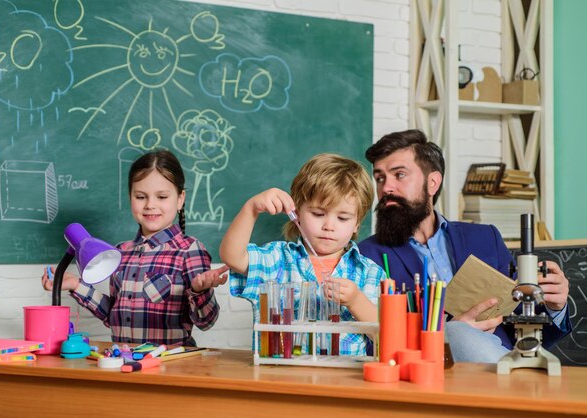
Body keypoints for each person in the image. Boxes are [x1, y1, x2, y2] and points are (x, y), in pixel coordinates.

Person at [358, 129, 571, 363]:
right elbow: (369, 344)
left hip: (501, 363)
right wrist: (447, 335)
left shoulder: (484, 238)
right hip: (425, 376)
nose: (386, 188)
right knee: (457, 332)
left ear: (432, 183)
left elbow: (525, 328)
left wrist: (554, 307)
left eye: (399, 175)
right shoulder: (366, 256)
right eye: (379, 178)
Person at [41, 150, 228, 346]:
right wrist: (76, 285)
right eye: (141, 196)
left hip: (170, 368)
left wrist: (200, 292)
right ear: (130, 196)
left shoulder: (189, 250)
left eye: (162, 197)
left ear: (180, 199)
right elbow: (113, 316)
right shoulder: (120, 252)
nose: (150, 205)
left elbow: (206, 321)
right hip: (125, 364)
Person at [220, 153, 384, 356]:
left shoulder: (369, 273)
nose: (329, 226)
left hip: (340, 385)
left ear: (357, 223)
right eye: (318, 214)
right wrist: (251, 208)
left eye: (343, 218)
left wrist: (356, 301)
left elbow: (385, 338)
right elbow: (232, 256)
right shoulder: (278, 259)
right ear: (296, 213)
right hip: (278, 380)